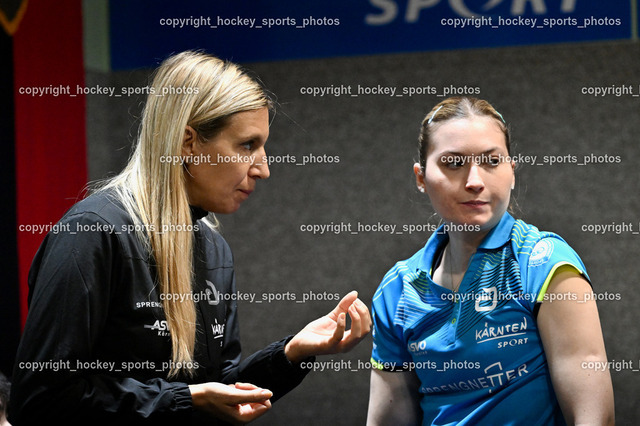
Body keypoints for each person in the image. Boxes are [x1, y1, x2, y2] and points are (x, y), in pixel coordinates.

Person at [9, 50, 371, 426]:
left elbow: (219, 390)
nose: (263, 169)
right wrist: (184, 399)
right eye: (247, 145)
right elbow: (40, 400)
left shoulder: (213, 249)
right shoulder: (91, 234)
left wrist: (291, 354)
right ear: (188, 143)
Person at [366, 97, 614, 425]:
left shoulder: (542, 264)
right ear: (421, 177)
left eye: (492, 161)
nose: (475, 181)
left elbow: (595, 418)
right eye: (453, 163)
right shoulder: (396, 290)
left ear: (512, 171)